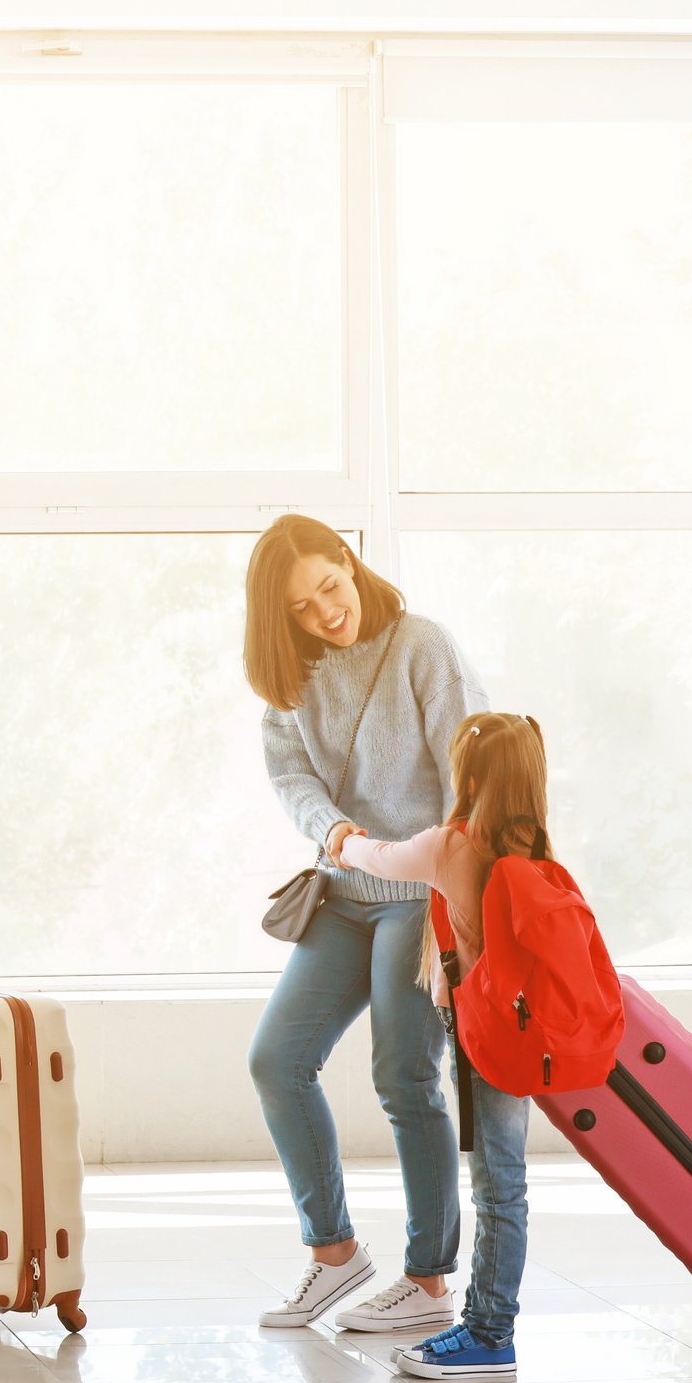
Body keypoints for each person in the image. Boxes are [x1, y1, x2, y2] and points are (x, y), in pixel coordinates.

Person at [243, 514, 488, 1333]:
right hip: (342, 889)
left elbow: (469, 771)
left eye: (329, 587)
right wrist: (336, 833)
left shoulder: (421, 645)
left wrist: (451, 892)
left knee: (403, 1079)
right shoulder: (292, 677)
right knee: (276, 1061)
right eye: (303, 609)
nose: (326, 613)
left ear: (348, 562)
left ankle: (427, 1283)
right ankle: (334, 1257)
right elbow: (289, 777)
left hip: (417, 899)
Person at [338, 712, 557, 1380]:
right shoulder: (535, 849)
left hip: (483, 1032)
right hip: (526, 1029)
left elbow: (374, 860)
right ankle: (485, 1326)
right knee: (503, 1182)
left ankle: (489, 1335)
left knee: (497, 1185)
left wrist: (341, 839)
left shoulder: (448, 845)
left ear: (463, 776)